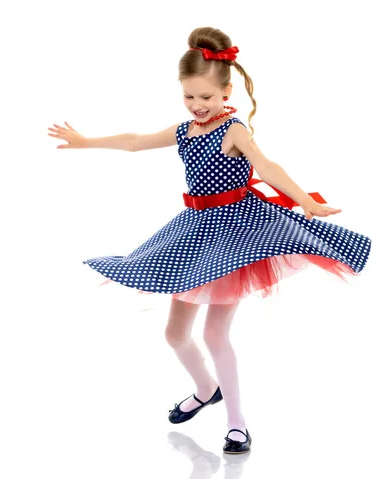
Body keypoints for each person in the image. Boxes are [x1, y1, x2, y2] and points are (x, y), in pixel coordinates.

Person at [47, 26, 371, 454]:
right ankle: (206, 389)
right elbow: (135, 142)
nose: (197, 106)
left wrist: (305, 202)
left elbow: (267, 166)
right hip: (193, 232)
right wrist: (86, 141)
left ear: (226, 91)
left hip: (236, 232)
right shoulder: (185, 131)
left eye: (206, 97)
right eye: (189, 97)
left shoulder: (233, 129)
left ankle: (237, 424)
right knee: (175, 335)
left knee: (216, 334)